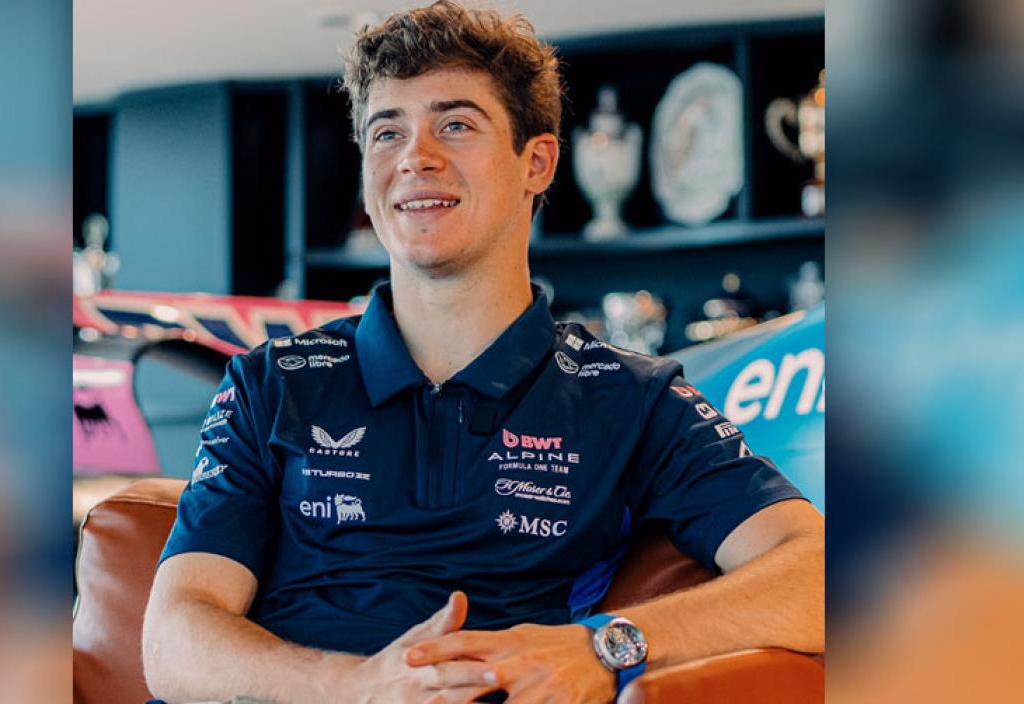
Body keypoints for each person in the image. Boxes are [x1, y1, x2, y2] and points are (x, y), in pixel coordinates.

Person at [142, 2, 824, 702]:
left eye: (456, 125)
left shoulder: (630, 397)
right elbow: (172, 639)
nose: (415, 157)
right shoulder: (269, 382)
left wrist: (604, 645)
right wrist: (354, 686)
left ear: (537, 163)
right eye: (387, 132)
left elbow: (819, 574)